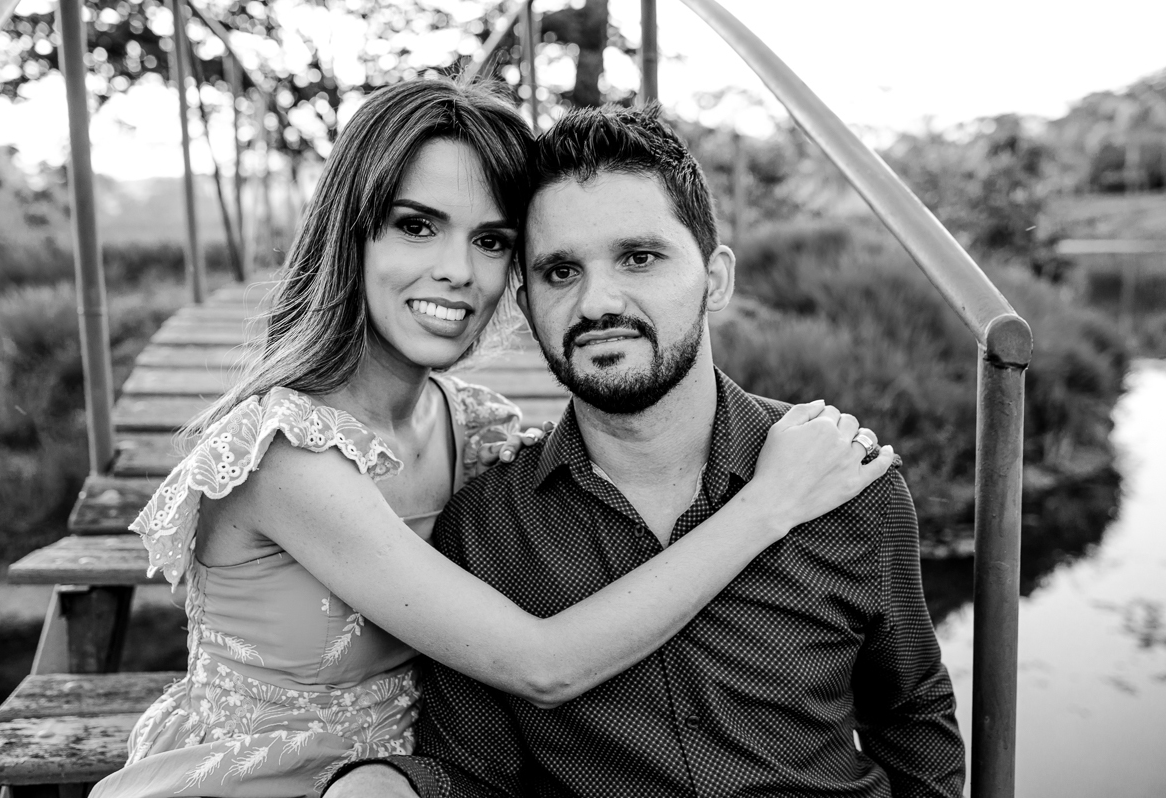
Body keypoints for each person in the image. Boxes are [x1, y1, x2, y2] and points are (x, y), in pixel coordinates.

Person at [90, 81, 892, 798]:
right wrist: (768, 503)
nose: (458, 271)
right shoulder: (286, 455)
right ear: (351, 235)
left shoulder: (471, 426)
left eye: (492, 240)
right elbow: (541, 665)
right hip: (267, 782)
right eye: (417, 226)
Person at [324, 104, 965, 798]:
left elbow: (911, 717)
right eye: (560, 271)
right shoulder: (484, 530)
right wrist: (383, 784)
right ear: (527, 302)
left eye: (639, 258)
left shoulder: (844, 480)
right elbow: (474, 775)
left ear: (716, 278)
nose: (597, 303)